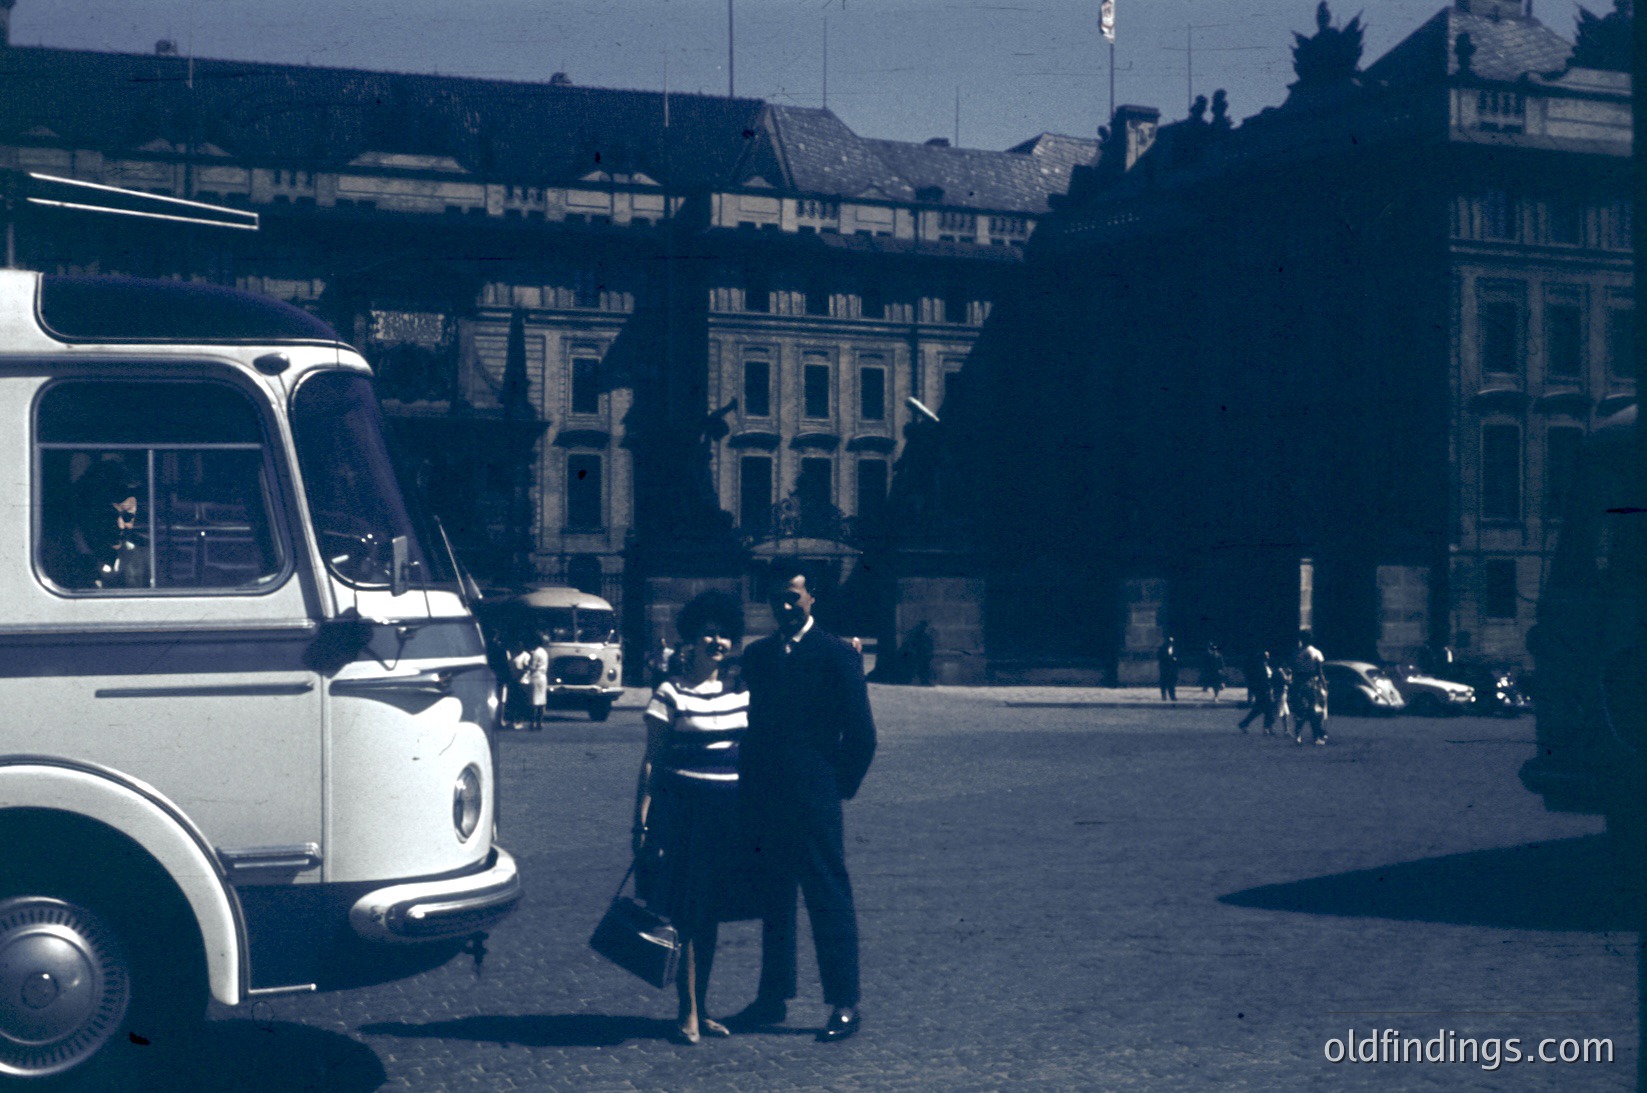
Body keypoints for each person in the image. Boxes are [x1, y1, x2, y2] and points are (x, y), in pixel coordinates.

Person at [730, 568, 877, 1043]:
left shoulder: (836, 654)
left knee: (827, 896)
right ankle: (773, 997)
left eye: (793, 597)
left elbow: (862, 735)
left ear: (812, 598)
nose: (785, 606)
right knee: (774, 899)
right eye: (777, 599)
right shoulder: (758, 655)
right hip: (766, 796)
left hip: (815, 797)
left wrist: (837, 786)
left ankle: (844, 1003)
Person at [632, 590, 751, 1045]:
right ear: (691, 638)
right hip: (684, 819)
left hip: (728, 820)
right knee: (686, 914)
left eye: (724, 634)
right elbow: (650, 763)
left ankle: (702, 1007)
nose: (717, 641)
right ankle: (687, 1011)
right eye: (708, 633)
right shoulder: (669, 693)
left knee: (711, 916)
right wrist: (640, 823)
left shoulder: (741, 692)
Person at [1289, 630, 1328, 745]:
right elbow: (1319, 672)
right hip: (1312, 683)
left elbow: (1293, 669)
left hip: (1298, 683)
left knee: (1299, 710)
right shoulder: (1316, 653)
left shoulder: (1296, 653)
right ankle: (1316, 737)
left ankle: (1298, 735)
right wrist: (1324, 685)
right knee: (1314, 710)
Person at [1237, 651, 1274, 734]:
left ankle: (1265, 727)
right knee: (1266, 709)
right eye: (1266, 656)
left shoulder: (1265, 665)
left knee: (1261, 709)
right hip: (1263, 690)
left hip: (1265, 689)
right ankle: (1266, 727)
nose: (1268, 657)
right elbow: (1262, 679)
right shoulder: (1260, 666)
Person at [526, 637, 550, 731]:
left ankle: (533, 722)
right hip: (543, 677)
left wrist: (526, 666)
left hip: (535, 676)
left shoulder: (535, 653)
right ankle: (540, 722)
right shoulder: (544, 652)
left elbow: (532, 666)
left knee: (534, 701)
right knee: (542, 701)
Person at [1157, 637, 1179, 701]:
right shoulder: (1162, 649)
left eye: (1171, 642)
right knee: (1163, 683)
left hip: (1172, 668)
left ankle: (1172, 696)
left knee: (1172, 683)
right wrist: (1168, 658)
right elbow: (1160, 656)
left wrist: (1175, 659)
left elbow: (1178, 656)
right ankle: (1163, 696)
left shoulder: (1175, 649)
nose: (1170, 644)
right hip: (1165, 668)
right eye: (1169, 642)